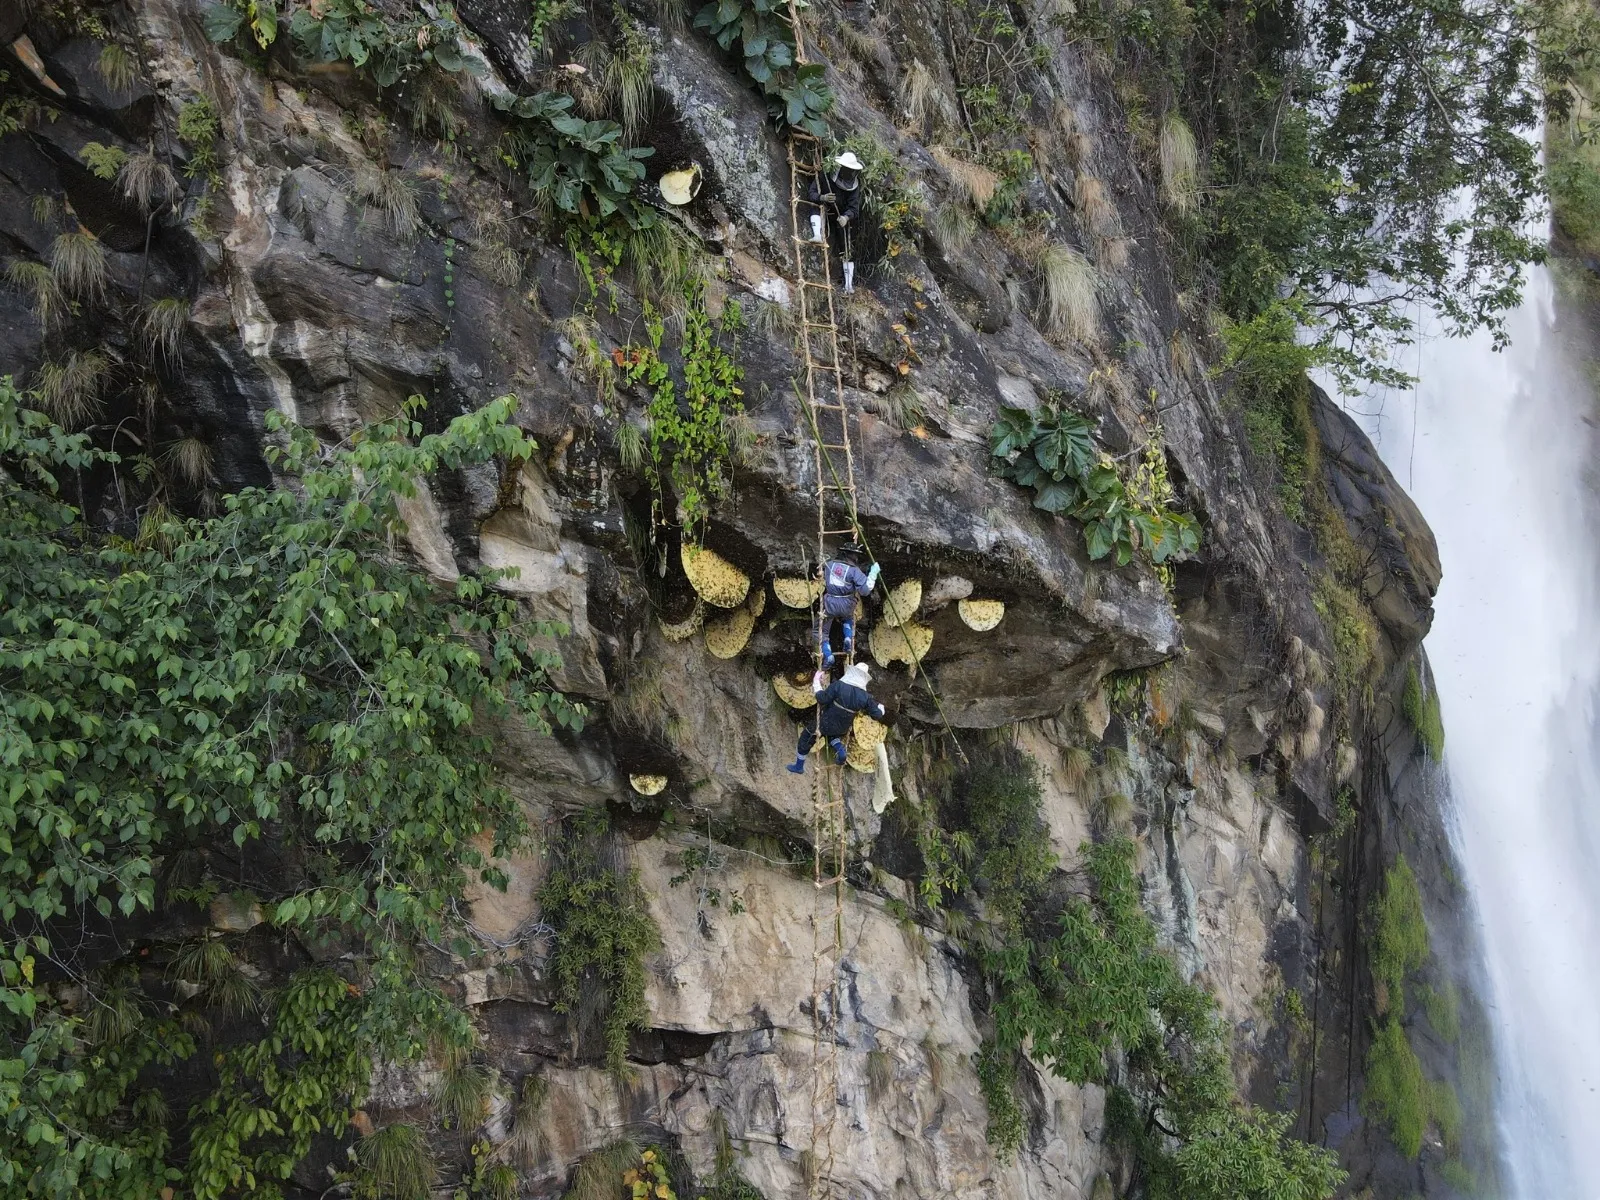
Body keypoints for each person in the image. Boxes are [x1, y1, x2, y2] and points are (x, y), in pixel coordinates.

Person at [788, 662, 886, 773]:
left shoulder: (840, 685)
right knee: (833, 737)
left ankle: (799, 766)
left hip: (827, 722)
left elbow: (822, 699)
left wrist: (816, 683)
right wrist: (881, 708)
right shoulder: (865, 697)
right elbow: (876, 715)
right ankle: (841, 753)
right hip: (842, 727)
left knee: (807, 736)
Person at [806, 151, 864, 294]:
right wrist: (823, 197)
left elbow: (854, 208)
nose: (849, 173)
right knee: (815, 206)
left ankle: (848, 285)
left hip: (841, 219)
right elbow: (811, 194)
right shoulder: (826, 177)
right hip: (825, 210)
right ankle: (817, 234)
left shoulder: (854, 187)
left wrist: (846, 217)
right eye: (847, 170)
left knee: (847, 249)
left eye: (852, 171)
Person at [818, 545, 879, 668]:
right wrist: (873, 574)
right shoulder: (854, 571)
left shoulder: (829, 565)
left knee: (821, 631)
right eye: (855, 555)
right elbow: (865, 591)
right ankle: (847, 638)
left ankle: (828, 655)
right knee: (848, 619)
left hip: (830, 602)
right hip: (847, 604)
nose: (857, 557)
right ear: (851, 555)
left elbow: (824, 577)